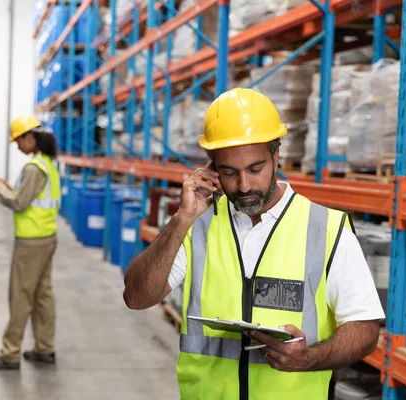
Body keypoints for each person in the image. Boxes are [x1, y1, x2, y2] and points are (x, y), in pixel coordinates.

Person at [123, 88, 384, 399]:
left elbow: (365, 329)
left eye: (255, 169)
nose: (244, 185)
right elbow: (137, 297)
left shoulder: (326, 229)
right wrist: (182, 218)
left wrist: (309, 358)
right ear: (212, 168)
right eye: (229, 172)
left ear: (276, 156)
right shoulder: (197, 226)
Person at [0, 115, 61, 370]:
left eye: (18, 141)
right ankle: (44, 348)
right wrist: (5, 185)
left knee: (20, 296)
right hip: (46, 236)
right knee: (42, 295)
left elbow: (20, 203)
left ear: (30, 138)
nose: (17, 146)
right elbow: (28, 195)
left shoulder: (33, 168)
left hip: (31, 241)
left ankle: (9, 352)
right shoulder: (47, 163)